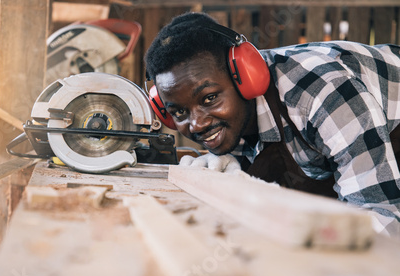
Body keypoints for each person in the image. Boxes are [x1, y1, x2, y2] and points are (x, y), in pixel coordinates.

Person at [144, 11, 400, 237]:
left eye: (209, 98)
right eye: (179, 112)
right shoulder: (230, 120)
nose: (197, 124)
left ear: (245, 77)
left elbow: (382, 219)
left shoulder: (321, 92)